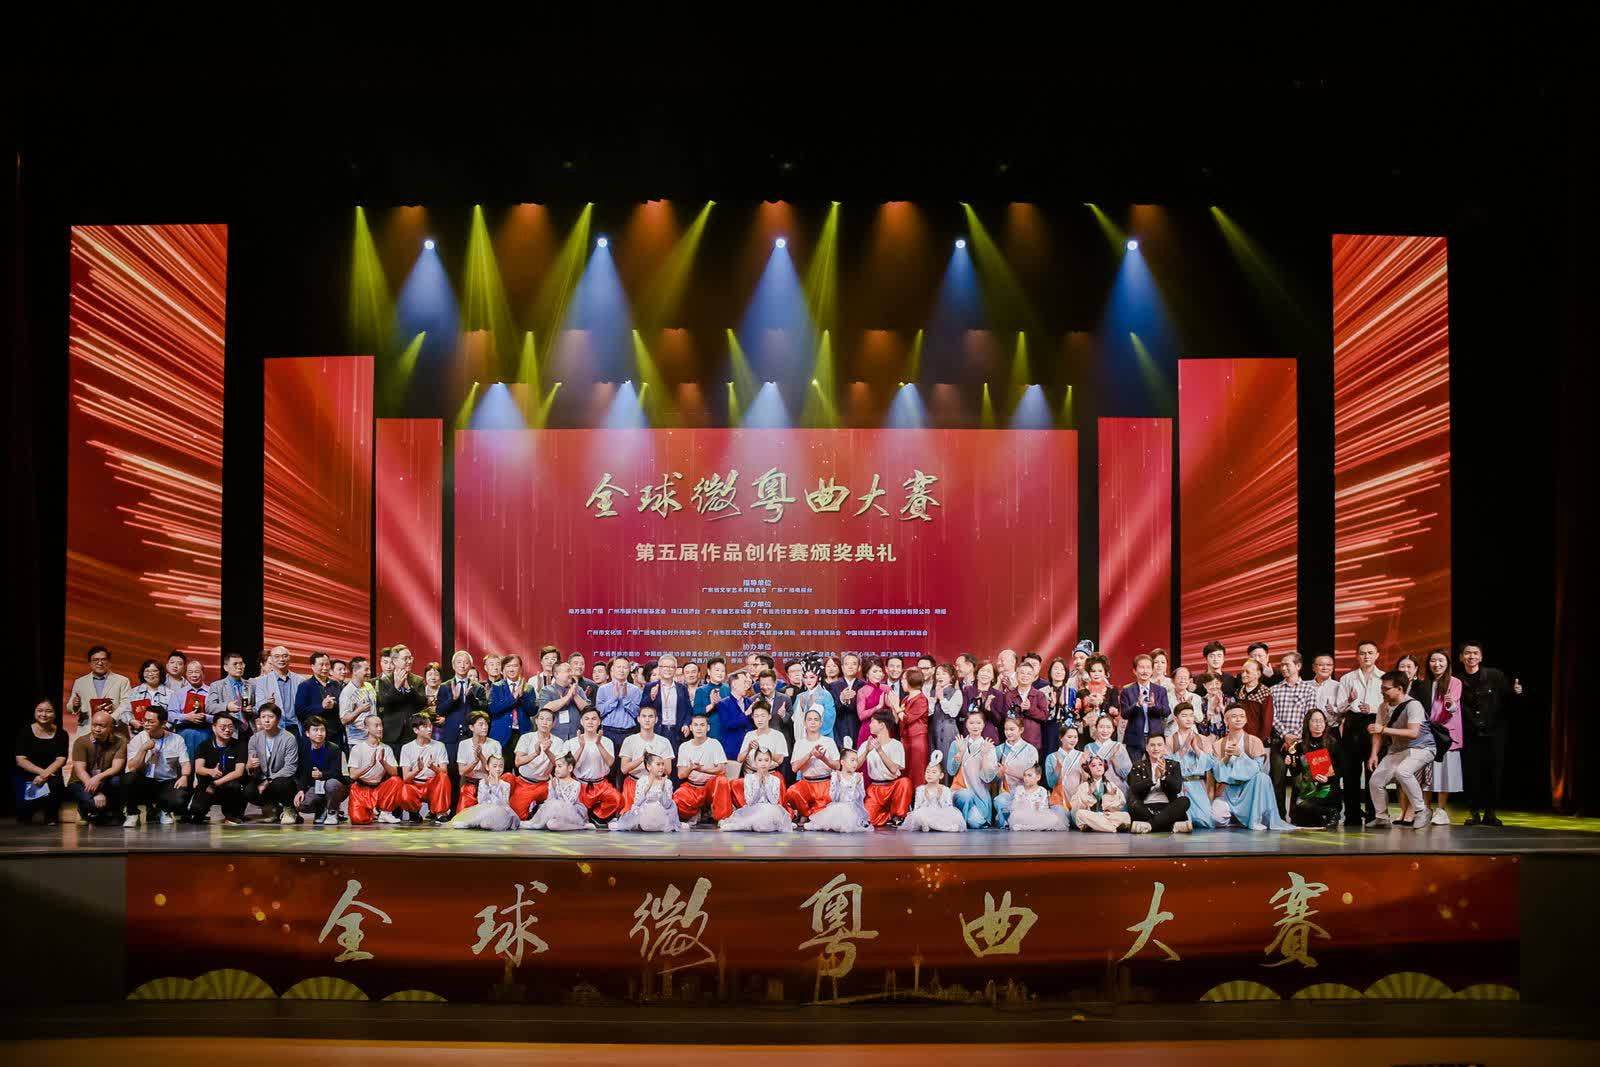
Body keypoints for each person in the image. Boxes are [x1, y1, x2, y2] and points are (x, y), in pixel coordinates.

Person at [1458, 640, 1521, 827]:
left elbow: (1507, 700)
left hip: (1494, 733)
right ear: (1461, 657)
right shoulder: (1456, 680)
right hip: (1470, 734)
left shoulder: (1495, 675)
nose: (1471, 656)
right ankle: (1474, 812)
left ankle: (1491, 812)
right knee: (1472, 774)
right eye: (1467, 653)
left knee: (1493, 773)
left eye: (1475, 653)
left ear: (1481, 657)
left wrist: (1516, 693)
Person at [1365, 670, 1436, 829]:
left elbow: (1413, 733)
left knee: (1403, 772)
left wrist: (1383, 729)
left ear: (1399, 689)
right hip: (1398, 749)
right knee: (1375, 781)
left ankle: (1421, 810)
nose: (1382, 691)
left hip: (1422, 748)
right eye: (1382, 688)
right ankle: (1381, 817)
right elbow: (1377, 732)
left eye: (1386, 688)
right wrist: (1374, 754)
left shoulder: (1413, 705)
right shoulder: (1383, 707)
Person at [1210, 705, 1295, 830]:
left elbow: (1257, 769)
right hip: (1228, 790)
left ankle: (1254, 819)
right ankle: (1239, 819)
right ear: (1226, 720)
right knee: (1216, 819)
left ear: (1246, 720)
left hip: (1249, 790)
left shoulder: (1255, 741)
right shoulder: (1218, 744)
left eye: (1242, 716)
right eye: (1234, 716)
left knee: (1262, 777)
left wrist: (1241, 755)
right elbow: (1218, 774)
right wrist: (1227, 758)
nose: (1238, 719)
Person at [1337, 640, 1385, 827]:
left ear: (1377, 655)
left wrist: (1371, 708)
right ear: (1357, 656)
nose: (1366, 656)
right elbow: (1340, 708)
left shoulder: (1384, 677)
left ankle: (1374, 815)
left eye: (1370, 653)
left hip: (1375, 723)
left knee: (1374, 771)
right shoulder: (1347, 678)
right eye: (1363, 653)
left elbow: (1388, 706)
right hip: (1353, 723)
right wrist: (1350, 701)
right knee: (1351, 773)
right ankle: (1352, 816)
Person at [1268, 651, 1319, 817]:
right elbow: (1272, 716)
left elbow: (1309, 716)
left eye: (1287, 665)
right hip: (1279, 741)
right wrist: (1285, 735)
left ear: (1298, 666)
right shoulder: (1274, 690)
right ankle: (1278, 816)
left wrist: (1294, 738)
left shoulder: (1309, 690)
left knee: (1300, 781)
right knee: (1277, 780)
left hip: (1301, 742)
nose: (1283, 668)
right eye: (1281, 665)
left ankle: (1297, 815)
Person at [123, 708, 191, 827]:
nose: (146, 724)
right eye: (145, 720)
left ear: (163, 723)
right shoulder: (138, 739)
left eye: (151, 722)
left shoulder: (176, 739)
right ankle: (132, 813)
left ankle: (163, 810)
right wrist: (143, 749)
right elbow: (132, 767)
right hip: (145, 782)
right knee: (128, 778)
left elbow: (185, 762)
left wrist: (184, 776)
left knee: (180, 798)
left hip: (166, 782)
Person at [1420, 649, 1464, 825]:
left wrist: (1450, 704)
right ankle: (1425, 808)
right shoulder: (1424, 684)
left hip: (1445, 734)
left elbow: (1453, 707)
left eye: (1441, 661)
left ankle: (1441, 810)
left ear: (1447, 664)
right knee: (1426, 773)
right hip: (1426, 734)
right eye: (1433, 660)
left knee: (1444, 772)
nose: (1437, 664)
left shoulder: (1454, 682)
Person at [1125, 733, 1193, 834]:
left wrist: (1164, 776)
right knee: (1134, 805)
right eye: (1152, 745)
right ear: (1147, 747)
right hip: (1146, 807)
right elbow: (1134, 789)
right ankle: (1171, 826)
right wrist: (1154, 779)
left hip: (1168, 807)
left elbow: (1177, 788)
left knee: (1184, 801)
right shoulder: (1138, 766)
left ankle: (1149, 826)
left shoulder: (1174, 765)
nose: (1156, 748)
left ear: (1164, 747)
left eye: (1159, 745)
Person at [14, 699, 69, 824]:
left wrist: (44, 775)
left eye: (48, 711)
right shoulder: (24, 732)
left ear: (55, 714)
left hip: (51, 774)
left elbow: (61, 759)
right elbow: (21, 760)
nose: (44, 714)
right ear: (34, 712)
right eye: (40, 711)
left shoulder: (61, 734)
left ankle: (51, 815)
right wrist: (41, 773)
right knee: (23, 816)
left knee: (56, 783)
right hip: (28, 773)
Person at [187, 713, 249, 824]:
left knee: (235, 786)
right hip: (207, 784)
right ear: (214, 728)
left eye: (230, 727)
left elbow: (238, 772)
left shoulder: (240, 745)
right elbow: (199, 768)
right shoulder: (204, 746)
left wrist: (215, 784)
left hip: (229, 784)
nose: (227, 730)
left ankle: (232, 815)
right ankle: (198, 812)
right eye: (223, 727)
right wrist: (210, 772)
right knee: (196, 811)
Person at [245, 703, 301, 824]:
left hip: (283, 779)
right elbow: (251, 767)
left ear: (278, 719)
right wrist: (250, 766)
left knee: (280, 784)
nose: (266, 720)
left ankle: (289, 808)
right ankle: (272, 808)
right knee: (249, 790)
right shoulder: (254, 739)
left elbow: (290, 768)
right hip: (262, 778)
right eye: (263, 717)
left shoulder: (288, 738)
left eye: (270, 717)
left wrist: (268, 781)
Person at [68, 710, 127, 824]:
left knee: (118, 781)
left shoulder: (120, 742)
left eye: (101, 726)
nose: (97, 729)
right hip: (82, 782)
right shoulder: (81, 742)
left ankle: (108, 812)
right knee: (93, 804)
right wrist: (96, 793)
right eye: (94, 725)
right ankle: (84, 809)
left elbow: (116, 767)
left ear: (111, 727)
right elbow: (80, 771)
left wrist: (98, 778)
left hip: (104, 781)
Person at [1287, 708, 1342, 829]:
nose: (1318, 724)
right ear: (1308, 723)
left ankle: (1332, 812)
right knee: (1300, 815)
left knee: (1306, 806)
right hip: (1308, 788)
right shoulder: (1300, 746)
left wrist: (1328, 778)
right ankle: (1321, 815)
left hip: (1327, 787)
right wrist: (1291, 763)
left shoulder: (1333, 743)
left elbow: (1341, 768)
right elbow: (1295, 772)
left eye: (1321, 721)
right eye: (1315, 721)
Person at [567, 708, 623, 824]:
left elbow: (611, 763)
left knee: (617, 799)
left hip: (601, 784)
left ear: (599, 722)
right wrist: (581, 747)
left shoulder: (606, 741)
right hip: (580, 784)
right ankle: (585, 815)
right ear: (581, 722)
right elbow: (569, 766)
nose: (590, 722)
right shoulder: (572, 742)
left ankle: (597, 817)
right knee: (570, 809)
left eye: (593, 719)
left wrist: (598, 744)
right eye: (586, 719)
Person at [674, 712, 732, 824]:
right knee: (677, 797)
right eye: (696, 725)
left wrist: (702, 769)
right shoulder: (684, 746)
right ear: (691, 728)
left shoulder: (714, 744)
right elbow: (681, 775)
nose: (699, 728)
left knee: (722, 780)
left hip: (710, 787)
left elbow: (722, 770)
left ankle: (723, 819)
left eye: (702, 725)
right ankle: (695, 813)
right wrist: (691, 767)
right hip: (692, 787)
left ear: (708, 727)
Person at [786, 708, 841, 825]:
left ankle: (811, 815)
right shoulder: (800, 743)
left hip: (825, 783)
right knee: (791, 792)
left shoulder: (828, 741)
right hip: (806, 783)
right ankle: (805, 813)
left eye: (816, 720)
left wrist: (823, 758)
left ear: (820, 723)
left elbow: (837, 765)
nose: (813, 722)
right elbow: (794, 768)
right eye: (809, 719)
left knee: (819, 816)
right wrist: (810, 754)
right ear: (804, 723)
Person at [347, 714, 404, 825]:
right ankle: (370, 811)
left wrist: (383, 762)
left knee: (396, 781)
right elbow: (352, 775)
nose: (380, 728)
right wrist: (369, 765)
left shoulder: (386, 748)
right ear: (366, 728)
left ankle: (385, 813)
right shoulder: (357, 748)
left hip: (378, 788)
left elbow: (395, 773)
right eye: (376, 726)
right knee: (358, 820)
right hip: (361, 789)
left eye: (381, 725)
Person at [859, 709, 912, 827]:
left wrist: (880, 751)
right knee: (868, 820)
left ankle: (898, 815)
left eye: (873, 722)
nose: (870, 725)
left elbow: (893, 769)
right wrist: (866, 751)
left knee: (905, 782)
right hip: (875, 788)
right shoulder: (867, 744)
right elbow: (856, 765)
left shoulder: (896, 745)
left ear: (882, 725)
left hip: (893, 786)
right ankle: (888, 816)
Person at [718, 748, 791, 832]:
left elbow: (774, 802)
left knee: (768, 816)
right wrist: (758, 786)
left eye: (766, 760)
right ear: (755, 762)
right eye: (760, 760)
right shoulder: (749, 778)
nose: (763, 763)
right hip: (754, 809)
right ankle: (741, 825)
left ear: (770, 762)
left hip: (771, 810)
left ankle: (777, 824)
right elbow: (750, 802)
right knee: (755, 820)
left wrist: (766, 785)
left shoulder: (775, 779)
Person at [398, 713, 454, 822]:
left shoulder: (439, 746)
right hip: (415, 784)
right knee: (404, 788)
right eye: (425, 726)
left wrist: (433, 767)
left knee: (443, 777)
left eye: (430, 726)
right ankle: (414, 812)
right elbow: (406, 778)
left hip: (432, 784)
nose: (429, 729)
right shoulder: (407, 748)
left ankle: (440, 813)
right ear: (416, 730)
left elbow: (444, 772)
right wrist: (417, 770)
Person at [801, 748, 872, 833]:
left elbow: (860, 797)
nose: (855, 763)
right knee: (835, 814)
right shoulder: (836, 775)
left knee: (846, 822)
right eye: (852, 760)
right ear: (842, 762)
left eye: (856, 761)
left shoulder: (858, 777)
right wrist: (838, 782)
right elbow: (833, 797)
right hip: (838, 807)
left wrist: (855, 784)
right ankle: (818, 824)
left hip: (853, 809)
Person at [730, 701, 789, 804]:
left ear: (769, 716)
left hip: (771, 774)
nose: (759, 719)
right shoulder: (749, 735)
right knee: (735, 785)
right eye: (756, 716)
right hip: (751, 774)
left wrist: (763, 750)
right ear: (752, 717)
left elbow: (780, 760)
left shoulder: (777, 735)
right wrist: (748, 749)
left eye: (763, 716)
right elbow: (739, 759)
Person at [618, 706, 676, 811]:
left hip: (657, 784)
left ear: (656, 719)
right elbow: (624, 769)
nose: (647, 719)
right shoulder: (629, 740)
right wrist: (643, 759)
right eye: (644, 716)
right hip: (634, 784)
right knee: (632, 816)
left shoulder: (664, 741)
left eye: (650, 716)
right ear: (638, 719)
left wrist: (653, 762)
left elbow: (668, 770)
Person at [609, 754, 685, 832]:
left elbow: (666, 805)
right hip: (644, 815)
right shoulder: (642, 781)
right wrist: (648, 786)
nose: (661, 767)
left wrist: (662, 789)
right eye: (658, 764)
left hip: (661, 816)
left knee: (663, 806)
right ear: (649, 766)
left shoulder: (667, 782)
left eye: (663, 764)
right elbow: (637, 803)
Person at [1170, 704, 1218, 829]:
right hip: (1180, 787)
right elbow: (1169, 765)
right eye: (1184, 716)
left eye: (1191, 715)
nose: (1188, 719)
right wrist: (1185, 747)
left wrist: (1196, 748)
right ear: (1176, 719)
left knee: (1206, 821)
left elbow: (1210, 765)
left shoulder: (1203, 739)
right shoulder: (1170, 739)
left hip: (1198, 785)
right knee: (1183, 821)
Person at [295, 715, 348, 826]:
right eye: (315, 730)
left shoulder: (334, 749)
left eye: (322, 730)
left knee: (331, 784)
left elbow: (337, 773)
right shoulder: (304, 749)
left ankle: (332, 811)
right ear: (307, 733)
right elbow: (303, 773)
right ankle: (322, 809)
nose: (320, 733)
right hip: (317, 787)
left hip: (336, 786)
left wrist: (321, 774)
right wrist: (300, 790)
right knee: (301, 804)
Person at [67, 646, 130, 738]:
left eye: (103, 659)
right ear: (90, 663)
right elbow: (69, 707)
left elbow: (126, 704)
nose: (100, 663)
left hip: (115, 732)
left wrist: (111, 719)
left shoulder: (122, 681)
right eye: (95, 660)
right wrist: (75, 705)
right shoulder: (80, 682)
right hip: (87, 731)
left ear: (109, 662)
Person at [509, 707, 561, 818]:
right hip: (525, 782)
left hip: (544, 784)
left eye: (548, 720)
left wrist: (547, 751)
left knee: (556, 815)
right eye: (541, 719)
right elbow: (517, 762)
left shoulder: (558, 741)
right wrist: (535, 753)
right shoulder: (526, 737)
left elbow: (559, 764)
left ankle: (538, 807)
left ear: (553, 723)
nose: (544, 722)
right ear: (536, 721)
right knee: (518, 816)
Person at [1118, 654, 1171, 758]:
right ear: (1134, 671)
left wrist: (1155, 706)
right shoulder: (1127, 691)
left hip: (1155, 738)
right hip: (1134, 738)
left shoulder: (1160, 690)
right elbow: (1124, 714)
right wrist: (1137, 705)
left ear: (1152, 670)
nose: (1145, 671)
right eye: (1141, 667)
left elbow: (1166, 712)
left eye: (1148, 667)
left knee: (1155, 767)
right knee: (1134, 767)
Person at [991, 714, 1039, 829]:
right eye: (1006, 729)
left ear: (1021, 730)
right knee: (1000, 800)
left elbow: (1032, 778)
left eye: (1012, 729)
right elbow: (992, 777)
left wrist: (1008, 771)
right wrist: (998, 774)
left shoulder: (1030, 750)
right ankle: (1007, 823)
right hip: (1006, 792)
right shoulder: (998, 749)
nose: (1008, 733)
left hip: (1025, 792)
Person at [448, 755, 520, 831]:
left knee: (494, 815)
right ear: (487, 767)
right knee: (484, 821)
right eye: (494, 766)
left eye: (501, 766)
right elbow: (481, 801)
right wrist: (489, 787)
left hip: (500, 814)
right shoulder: (483, 782)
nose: (498, 769)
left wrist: (496, 786)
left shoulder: (505, 785)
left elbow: (504, 804)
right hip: (485, 810)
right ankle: (471, 823)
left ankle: (473, 824)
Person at [377, 645, 426, 757]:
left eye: (410, 658)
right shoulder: (384, 681)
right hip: (391, 734)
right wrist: (396, 687)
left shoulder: (418, 680)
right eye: (405, 659)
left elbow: (422, 704)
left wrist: (409, 689)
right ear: (395, 661)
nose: (409, 661)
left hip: (412, 734)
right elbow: (384, 703)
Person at [435, 650, 485, 758]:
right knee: (451, 765)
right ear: (453, 665)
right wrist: (452, 699)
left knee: (471, 764)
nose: (462, 666)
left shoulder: (478, 687)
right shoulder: (445, 686)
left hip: (471, 734)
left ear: (470, 666)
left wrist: (471, 697)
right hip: (451, 735)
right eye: (459, 662)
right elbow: (439, 710)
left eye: (466, 663)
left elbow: (483, 710)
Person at [521, 755, 591, 831]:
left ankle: (583, 826)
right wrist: (553, 788)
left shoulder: (576, 784)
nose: (556, 769)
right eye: (556, 766)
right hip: (555, 815)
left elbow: (569, 804)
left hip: (571, 814)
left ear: (570, 768)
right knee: (550, 824)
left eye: (560, 766)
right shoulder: (553, 781)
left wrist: (557, 787)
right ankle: (562, 825)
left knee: (552, 825)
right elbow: (550, 801)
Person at [901, 753, 967, 832]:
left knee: (951, 816)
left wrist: (939, 798)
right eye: (927, 772)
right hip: (926, 813)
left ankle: (936, 826)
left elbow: (948, 807)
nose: (929, 775)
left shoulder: (945, 789)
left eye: (934, 772)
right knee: (919, 815)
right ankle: (940, 827)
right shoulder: (921, 789)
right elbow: (917, 808)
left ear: (941, 775)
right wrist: (926, 800)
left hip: (940, 813)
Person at [251, 646, 306, 735]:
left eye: (285, 656)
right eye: (277, 656)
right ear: (271, 659)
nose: (281, 659)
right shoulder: (262, 681)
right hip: (274, 727)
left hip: (296, 727)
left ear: (289, 658)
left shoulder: (300, 680)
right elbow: (258, 707)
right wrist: (267, 703)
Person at [641, 654, 691, 751]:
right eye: (665, 666)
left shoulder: (682, 688)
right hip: (657, 732)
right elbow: (642, 707)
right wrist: (651, 697)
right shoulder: (650, 686)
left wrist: (686, 724)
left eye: (671, 667)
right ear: (659, 669)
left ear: (675, 670)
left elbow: (688, 710)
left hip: (677, 732)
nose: (668, 669)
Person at [1070, 754, 1131, 833]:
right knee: (1080, 814)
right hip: (1092, 815)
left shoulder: (1111, 785)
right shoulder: (1084, 786)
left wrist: (1111, 797)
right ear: (1089, 769)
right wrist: (1089, 794)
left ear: (1104, 767)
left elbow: (1120, 803)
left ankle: (1095, 827)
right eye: (1094, 765)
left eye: (1100, 764)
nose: (1098, 767)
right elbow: (1078, 805)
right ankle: (1112, 828)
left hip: (1106, 815)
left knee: (1125, 816)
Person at [455, 711, 502, 811]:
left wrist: (481, 756)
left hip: (488, 783)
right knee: (463, 815)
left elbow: (495, 771)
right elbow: (461, 772)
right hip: (470, 784)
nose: (485, 727)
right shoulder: (464, 744)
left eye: (486, 724)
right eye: (481, 724)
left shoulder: (495, 744)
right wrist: (475, 761)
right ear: (471, 727)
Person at [715, 671, 759, 775]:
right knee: (732, 780)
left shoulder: (749, 702)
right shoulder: (723, 704)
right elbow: (728, 724)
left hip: (749, 750)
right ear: (734, 684)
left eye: (748, 683)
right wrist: (747, 713)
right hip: (733, 750)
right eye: (744, 682)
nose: (747, 685)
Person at [169, 659, 213, 759]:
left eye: (197, 672)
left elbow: (219, 716)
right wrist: (186, 717)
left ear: (203, 673)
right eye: (190, 672)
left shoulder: (212, 692)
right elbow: (170, 715)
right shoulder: (178, 694)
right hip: (184, 730)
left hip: (206, 731)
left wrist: (206, 717)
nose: (194, 675)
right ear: (186, 674)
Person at [486, 653, 531, 750]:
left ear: (520, 668)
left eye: (515, 666)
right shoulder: (496, 686)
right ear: (503, 669)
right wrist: (513, 698)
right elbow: (493, 709)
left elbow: (532, 711)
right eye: (508, 666)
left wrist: (522, 696)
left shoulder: (528, 687)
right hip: (501, 734)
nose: (511, 669)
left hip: (523, 733)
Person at [292, 652, 343, 738]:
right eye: (321, 665)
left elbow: (343, 706)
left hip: (336, 733)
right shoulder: (305, 686)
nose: (325, 668)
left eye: (327, 664)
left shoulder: (336, 684)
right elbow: (300, 711)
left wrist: (334, 704)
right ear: (312, 666)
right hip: (315, 735)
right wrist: (321, 706)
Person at [1002, 659, 1049, 751]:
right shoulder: (1009, 695)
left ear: (1033, 677)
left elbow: (1044, 716)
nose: (1025, 676)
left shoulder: (1039, 695)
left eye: (1029, 674)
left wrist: (1030, 709)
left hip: (1033, 740)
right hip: (1013, 740)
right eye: (1022, 673)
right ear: (1017, 675)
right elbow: (1005, 715)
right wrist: (1019, 710)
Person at [537, 661, 589, 743]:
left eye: (571, 671)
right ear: (556, 674)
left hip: (576, 736)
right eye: (568, 671)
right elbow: (546, 708)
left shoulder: (578, 689)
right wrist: (568, 696)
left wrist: (575, 695)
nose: (571, 674)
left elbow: (587, 710)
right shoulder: (547, 690)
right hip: (554, 737)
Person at [1083, 711, 1132, 795]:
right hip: (1095, 790)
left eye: (1108, 727)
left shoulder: (1118, 746)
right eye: (1101, 727)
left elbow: (1125, 774)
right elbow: (1085, 773)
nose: (1105, 730)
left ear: (1113, 729)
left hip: (1117, 789)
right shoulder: (1088, 747)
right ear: (1096, 728)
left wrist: (1114, 760)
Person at [1006, 764, 1067, 831]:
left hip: (1038, 815)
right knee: (1016, 816)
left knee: (1054, 819)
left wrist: (1038, 808)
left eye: (1029, 775)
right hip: (1024, 815)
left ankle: (1031, 826)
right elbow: (1015, 805)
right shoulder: (1020, 789)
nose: (1026, 778)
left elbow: (1044, 807)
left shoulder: (1042, 790)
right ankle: (1034, 826)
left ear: (1038, 777)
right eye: (1024, 775)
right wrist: (1023, 805)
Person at [206, 652, 254, 739]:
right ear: (226, 667)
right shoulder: (217, 685)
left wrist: (251, 710)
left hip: (249, 730)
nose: (239, 667)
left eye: (241, 664)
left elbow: (256, 707)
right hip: (229, 730)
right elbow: (209, 707)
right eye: (235, 664)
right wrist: (227, 706)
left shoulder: (249, 685)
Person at [121, 660, 173, 736]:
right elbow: (125, 712)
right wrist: (132, 721)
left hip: (162, 734)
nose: (150, 674)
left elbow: (173, 715)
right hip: (138, 733)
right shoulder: (134, 692)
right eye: (147, 671)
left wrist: (163, 727)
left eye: (154, 671)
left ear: (161, 673)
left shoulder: (171, 694)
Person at [1044, 724, 1085, 816]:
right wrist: (1058, 767)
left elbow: (1086, 781)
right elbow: (1051, 784)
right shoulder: (1051, 757)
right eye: (1069, 737)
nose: (1073, 740)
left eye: (1075, 737)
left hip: (1078, 799)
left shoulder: (1082, 756)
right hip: (1059, 799)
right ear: (1061, 738)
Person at [793, 667, 838, 749]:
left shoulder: (826, 695)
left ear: (818, 678)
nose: (808, 680)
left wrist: (814, 707)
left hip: (823, 736)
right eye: (805, 677)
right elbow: (795, 719)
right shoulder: (800, 696)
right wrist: (802, 710)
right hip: (804, 737)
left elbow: (830, 717)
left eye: (812, 677)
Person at [338, 657, 378, 749]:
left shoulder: (369, 685)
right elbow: (343, 720)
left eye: (369, 669)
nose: (369, 672)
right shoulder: (347, 692)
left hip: (373, 738)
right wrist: (359, 710)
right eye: (366, 670)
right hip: (357, 741)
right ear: (355, 671)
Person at [1232, 658, 1275, 743]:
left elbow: (1267, 720)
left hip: (1257, 739)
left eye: (1247, 672)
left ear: (1258, 674)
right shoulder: (1239, 691)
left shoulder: (1265, 692)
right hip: (1239, 738)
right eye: (1242, 671)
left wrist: (1261, 740)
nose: (1243, 675)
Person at [963, 661, 1006, 743]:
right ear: (977, 674)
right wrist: (975, 706)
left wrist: (989, 709)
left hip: (989, 736)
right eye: (982, 670)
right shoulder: (967, 690)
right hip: (970, 736)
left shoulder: (998, 695)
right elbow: (963, 713)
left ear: (993, 677)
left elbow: (998, 721)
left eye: (988, 671)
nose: (985, 674)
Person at [930, 664, 965, 760]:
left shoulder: (956, 692)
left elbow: (953, 713)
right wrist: (934, 698)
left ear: (951, 677)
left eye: (944, 674)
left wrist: (941, 698)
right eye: (938, 674)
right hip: (934, 730)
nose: (940, 676)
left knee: (947, 759)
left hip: (948, 731)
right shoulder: (933, 692)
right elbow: (929, 712)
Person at [829, 653, 862, 747]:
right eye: (847, 664)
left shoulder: (864, 686)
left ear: (859, 667)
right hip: (839, 731)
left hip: (858, 730)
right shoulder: (833, 686)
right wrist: (842, 700)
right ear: (842, 667)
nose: (850, 667)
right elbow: (831, 711)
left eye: (854, 664)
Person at [854, 661, 888, 743]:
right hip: (868, 729)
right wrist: (877, 707)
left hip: (884, 729)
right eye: (875, 671)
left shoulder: (887, 688)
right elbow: (861, 715)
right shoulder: (862, 691)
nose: (878, 674)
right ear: (867, 674)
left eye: (880, 671)